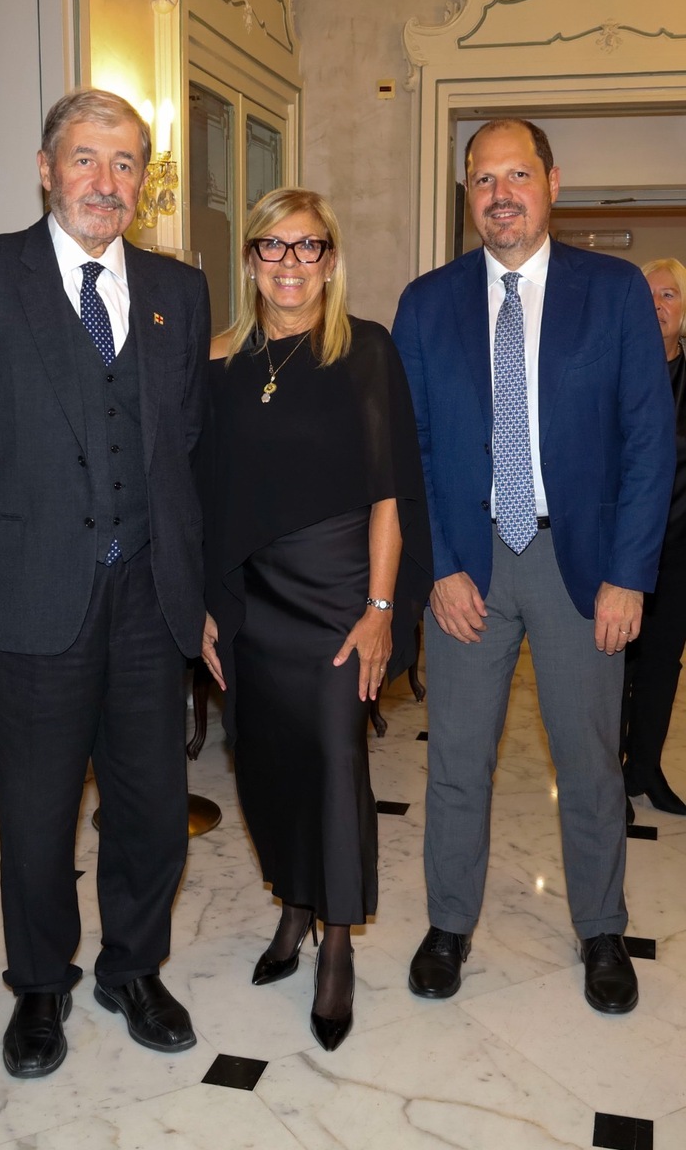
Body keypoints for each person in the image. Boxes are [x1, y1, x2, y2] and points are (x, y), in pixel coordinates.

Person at [0, 88, 210, 1077]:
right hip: (30, 595)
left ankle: (134, 968)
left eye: (125, 164)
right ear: (46, 169)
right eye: (85, 158)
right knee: (37, 811)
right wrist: (1, 529)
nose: (105, 181)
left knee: (151, 804)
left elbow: (185, 438)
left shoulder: (177, 289)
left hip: (148, 597)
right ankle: (40, 985)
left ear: (142, 182)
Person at [392, 118, 674, 1015]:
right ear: (466, 194)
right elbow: (411, 450)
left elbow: (649, 441)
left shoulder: (614, 291)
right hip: (468, 566)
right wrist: (437, 567)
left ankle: (601, 928)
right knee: (456, 758)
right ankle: (448, 924)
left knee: (588, 759)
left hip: (578, 567)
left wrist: (629, 575)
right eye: (483, 179)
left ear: (553, 183)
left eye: (517, 175)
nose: (500, 194)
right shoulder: (426, 303)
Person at [200, 187, 432, 1051]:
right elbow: (203, 492)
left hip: (339, 592)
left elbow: (389, 492)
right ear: (251, 258)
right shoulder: (217, 358)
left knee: (335, 763)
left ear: (331, 261)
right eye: (274, 245)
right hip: (250, 595)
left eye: (309, 247)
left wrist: (380, 610)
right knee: (263, 762)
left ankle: (336, 941)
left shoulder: (365, 350)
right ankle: (293, 907)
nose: (291, 263)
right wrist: (208, 605)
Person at [622, 258, 686, 819]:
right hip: (620, 550)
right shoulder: (616, 372)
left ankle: (644, 770)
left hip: (679, 553)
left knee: (662, 666)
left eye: (669, 295)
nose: (657, 305)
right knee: (613, 665)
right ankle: (604, 779)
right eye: (647, 295)